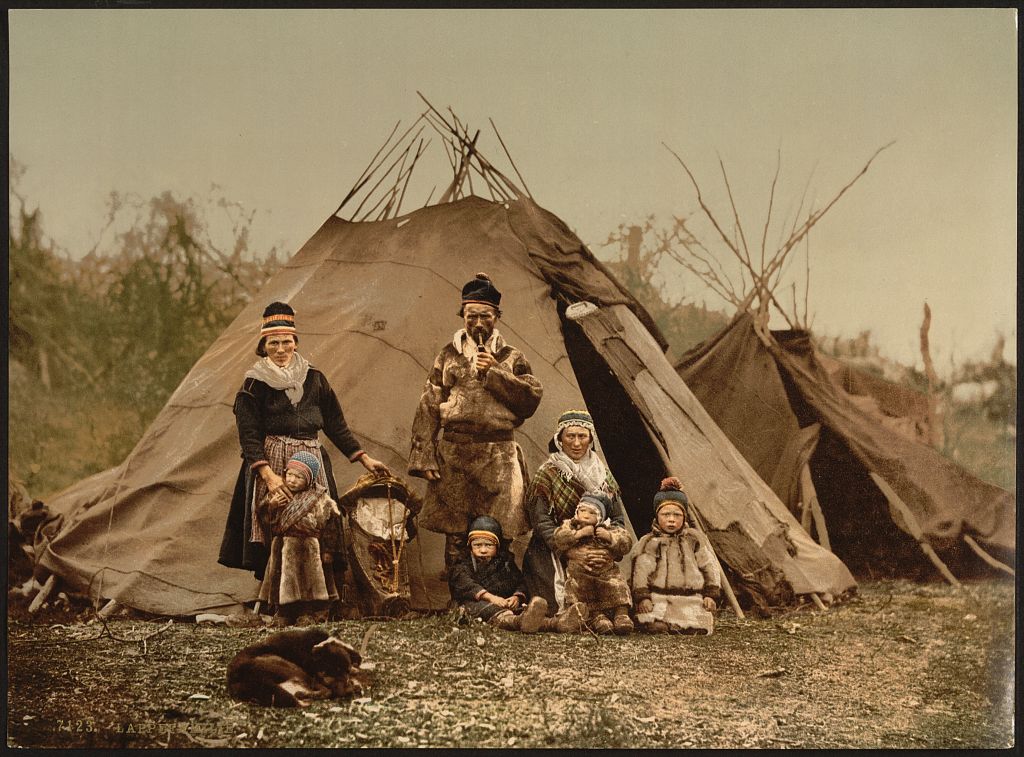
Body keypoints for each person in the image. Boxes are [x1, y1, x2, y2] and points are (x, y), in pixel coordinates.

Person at [218, 301, 389, 584]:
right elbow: (248, 436)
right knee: (274, 523)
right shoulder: (253, 384)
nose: (281, 349)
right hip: (272, 461)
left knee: (319, 521)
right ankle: (277, 596)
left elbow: (335, 423)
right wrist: (268, 476)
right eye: (273, 343)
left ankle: (317, 594)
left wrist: (364, 458)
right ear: (264, 346)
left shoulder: (315, 378)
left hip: (311, 460)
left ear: (295, 343)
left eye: (286, 342)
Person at [408, 273, 543, 572]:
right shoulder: (448, 355)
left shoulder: (512, 357)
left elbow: (530, 400)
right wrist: (425, 454)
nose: (478, 324)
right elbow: (429, 403)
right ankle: (462, 598)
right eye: (472, 316)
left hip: (499, 455)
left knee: (499, 530)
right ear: (463, 316)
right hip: (455, 453)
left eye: (485, 316)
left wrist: (496, 372)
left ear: (497, 317)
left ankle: (499, 593)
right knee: (456, 532)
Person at [522, 410, 627, 616]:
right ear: (560, 439)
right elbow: (540, 520)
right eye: (570, 436)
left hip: (594, 547)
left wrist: (607, 549)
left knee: (610, 600)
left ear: (591, 439)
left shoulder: (603, 475)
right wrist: (568, 550)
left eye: (582, 436)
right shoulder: (547, 473)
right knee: (555, 606)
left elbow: (617, 519)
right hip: (552, 548)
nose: (576, 443)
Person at [257, 451, 343, 625]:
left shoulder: (320, 499)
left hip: (309, 548)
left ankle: (308, 613)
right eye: (289, 474)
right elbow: (265, 521)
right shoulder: (277, 495)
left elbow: (331, 527)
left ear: (309, 480)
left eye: (298, 477)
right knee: (281, 582)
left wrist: (328, 551)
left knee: (309, 583)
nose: (292, 480)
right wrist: (271, 507)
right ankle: (283, 613)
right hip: (282, 546)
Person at [631, 477, 721, 635]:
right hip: (658, 598)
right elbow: (641, 571)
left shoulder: (694, 540)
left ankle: (685, 624)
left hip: (690, 598)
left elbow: (709, 567)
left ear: (684, 517)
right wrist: (643, 597)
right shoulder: (650, 542)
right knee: (653, 622)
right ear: (657, 517)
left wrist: (711, 594)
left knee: (697, 624)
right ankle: (661, 624)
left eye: (677, 515)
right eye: (666, 515)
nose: (671, 520)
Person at [447, 516, 550, 633]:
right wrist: (492, 598)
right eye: (477, 545)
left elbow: (519, 581)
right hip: (474, 604)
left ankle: (556, 623)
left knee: (525, 610)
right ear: (470, 546)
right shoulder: (462, 564)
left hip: (503, 603)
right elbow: (467, 584)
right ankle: (518, 622)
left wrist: (516, 597)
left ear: (497, 546)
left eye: (488, 545)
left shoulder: (505, 562)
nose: (483, 550)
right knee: (481, 609)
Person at [552, 492, 634, 635]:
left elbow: (626, 543)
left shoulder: (607, 528)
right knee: (582, 590)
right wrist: (579, 534)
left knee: (617, 584)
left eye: (592, 512)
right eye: (582, 510)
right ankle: (597, 618)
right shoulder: (570, 526)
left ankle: (621, 614)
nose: (585, 515)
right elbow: (559, 539)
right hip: (581, 572)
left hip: (606, 571)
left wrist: (609, 537)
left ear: (600, 516)